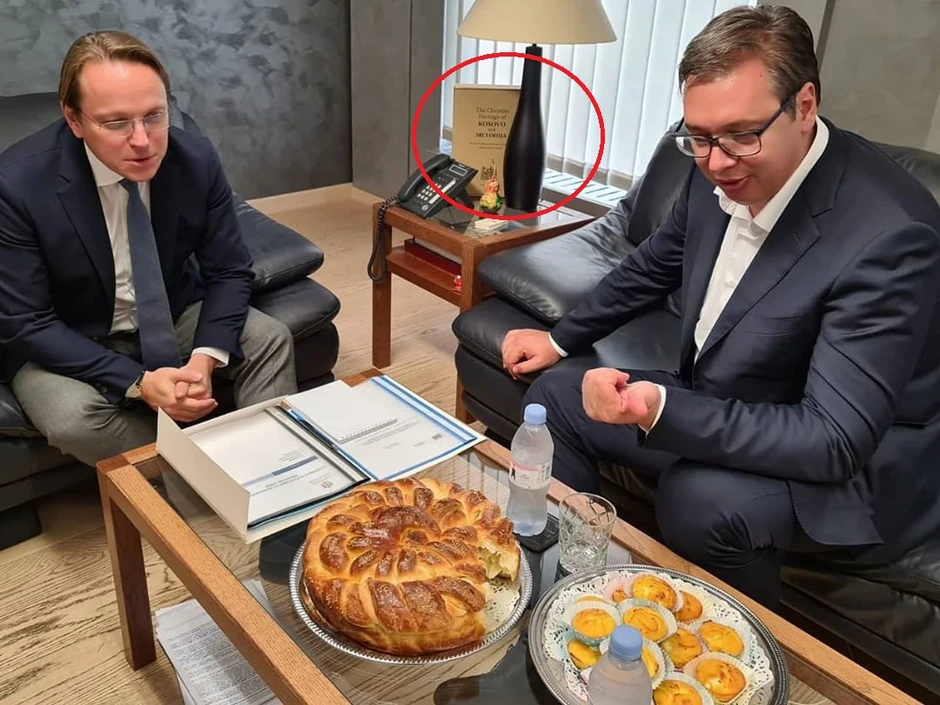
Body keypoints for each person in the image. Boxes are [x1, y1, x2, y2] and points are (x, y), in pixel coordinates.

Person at [501, 5, 940, 607]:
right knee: (558, 396)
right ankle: (559, 595)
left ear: (805, 105)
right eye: (699, 137)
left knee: (698, 499)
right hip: (736, 399)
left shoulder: (890, 235)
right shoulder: (713, 166)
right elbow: (654, 264)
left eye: (740, 135)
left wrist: (659, 408)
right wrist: (559, 339)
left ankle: (743, 656)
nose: (715, 161)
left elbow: (834, 438)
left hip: (851, 462)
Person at [0, 31, 297, 468]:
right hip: (70, 333)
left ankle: (274, 471)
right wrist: (139, 382)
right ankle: (200, 472)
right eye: (116, 123)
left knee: (270, 339)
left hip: (170, 310)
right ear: (74, 119)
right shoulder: (17, 185)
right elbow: (26, 322)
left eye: (154, 116)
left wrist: (204, 359)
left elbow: (230, 269)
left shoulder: (194, 159)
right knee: (72, 420)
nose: (143, 140)